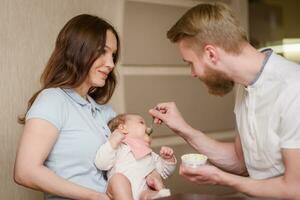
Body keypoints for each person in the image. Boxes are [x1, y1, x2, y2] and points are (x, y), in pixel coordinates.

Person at [149, 3, 300, 199]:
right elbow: (240, 161)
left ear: (211, 54)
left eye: (191, 63)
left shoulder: (292, 88)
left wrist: (221, 178)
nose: (193, 74)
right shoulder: (244, 86)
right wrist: (183, 129)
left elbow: (295, 188)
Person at [14, 14, 162, 200]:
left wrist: (150, 173)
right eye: (102, 52)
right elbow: (25, 171)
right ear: (77, 51)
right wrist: (94, 196)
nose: (110, 64)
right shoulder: (52, 100)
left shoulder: (107, 112)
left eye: (113, 55)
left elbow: (128, 159)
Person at [95, 113, 176, 200]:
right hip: (121, 193)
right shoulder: (118, 148)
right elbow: (102, 164)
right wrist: (112, 143)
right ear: (123, 128)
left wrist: (168, 159)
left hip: (143, 193)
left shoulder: (149, 153)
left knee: (150, 191)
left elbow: (164, 172)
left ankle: (158, 196)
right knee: (117, 180)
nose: (148, 128)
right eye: (141, 122)